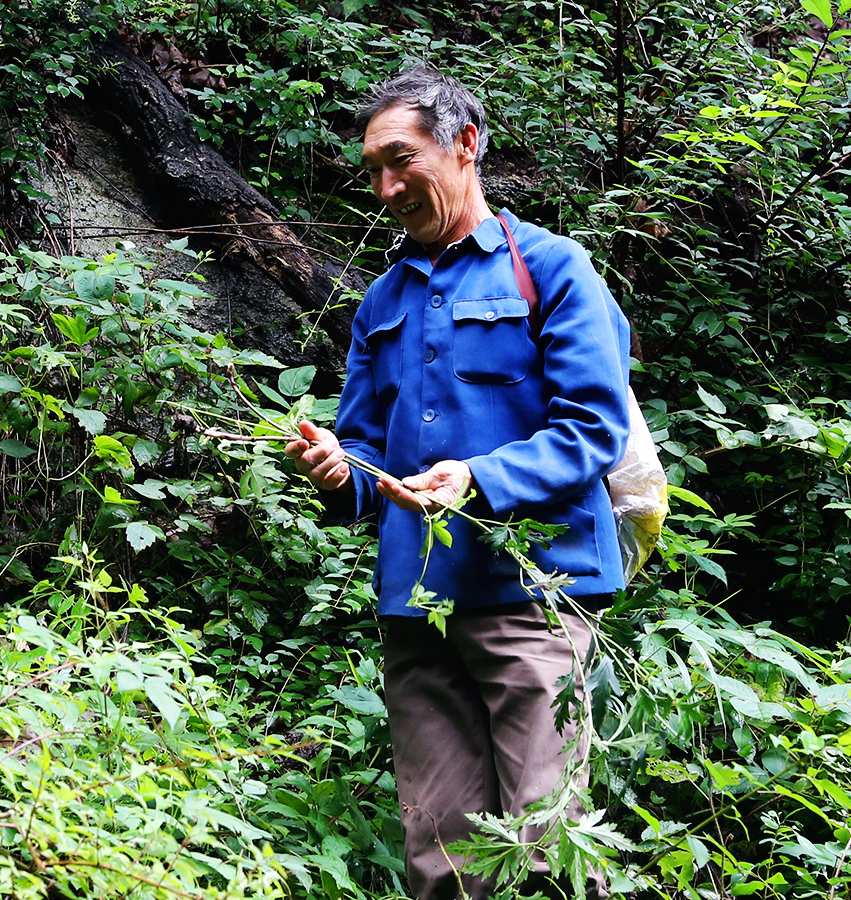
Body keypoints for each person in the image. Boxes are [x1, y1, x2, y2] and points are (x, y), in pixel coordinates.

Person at [284, 67, 631, 900]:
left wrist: (477, 477)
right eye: (372, 169)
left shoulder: (548, 268)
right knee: (438, 858)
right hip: (418, 605)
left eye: (401, 160)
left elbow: (596, 427)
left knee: (544, 847)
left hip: (535, 594)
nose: (386, 186)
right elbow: (367, 447)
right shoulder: (382, 300)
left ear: (466, 145)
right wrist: (341, 470)